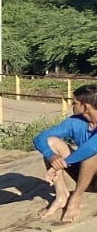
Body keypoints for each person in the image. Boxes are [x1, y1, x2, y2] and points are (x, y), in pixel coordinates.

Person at [34, 85, 97, 222]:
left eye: (74, 103)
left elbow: (92, 148)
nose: (71, 106)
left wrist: (60, 165)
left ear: (86, 107)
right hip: (88, 178)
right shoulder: (74, 122)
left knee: (93, 154)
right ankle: (62, 196)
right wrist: (52, 156)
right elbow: (40, 138)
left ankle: (76, 198)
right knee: (51, 142)